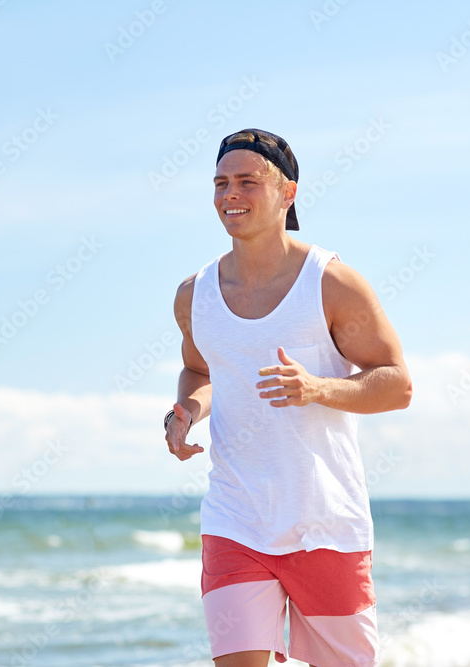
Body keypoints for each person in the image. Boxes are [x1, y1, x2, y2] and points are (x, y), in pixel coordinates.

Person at [164, 128, 411, 667]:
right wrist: (187, 412)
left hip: (325, 521)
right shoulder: (195, 295)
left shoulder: (333, 282)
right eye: (221, 182)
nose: (231, 193)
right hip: (236, 517)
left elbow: (397, 383)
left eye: (248, 181)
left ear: (287, 193)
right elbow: (198, 370)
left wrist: (318, 388)